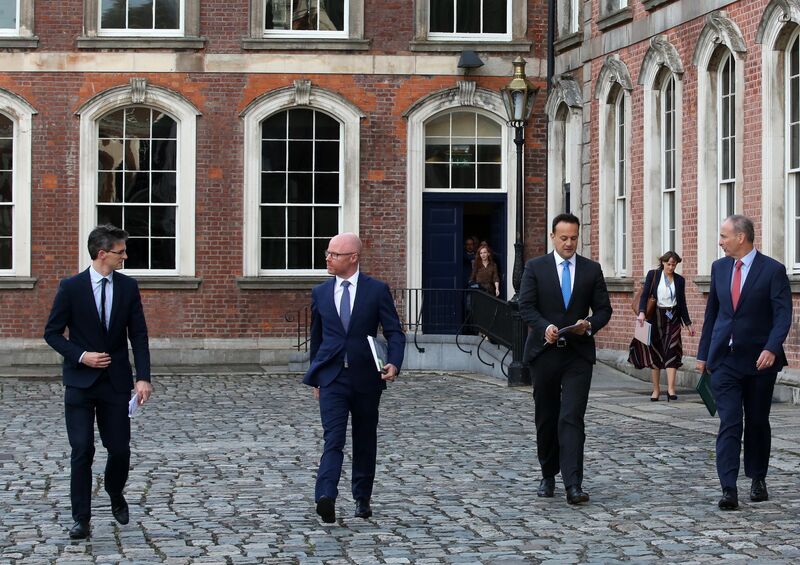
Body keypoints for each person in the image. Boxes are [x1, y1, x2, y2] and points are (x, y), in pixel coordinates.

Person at [43, 224, 153, 539]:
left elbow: (139, 335)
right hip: (79, 383)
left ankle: (115, 491)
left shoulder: (128, 288)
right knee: (82, 449)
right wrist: (81, 356)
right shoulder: (71, 287)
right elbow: (52, 333)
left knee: (119, 450)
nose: (126, 257)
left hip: (115, 383)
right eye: (121, 252)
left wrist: (142, 377)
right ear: (102, 254)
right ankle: (82, 519)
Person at [303, 232, 406, 523]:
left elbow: (395, 333)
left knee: (364, 438)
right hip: (332, 378)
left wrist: (394, 364)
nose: (328, 258)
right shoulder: (321, 292)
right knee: (332, 439)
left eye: (334, 254)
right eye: (328, 253)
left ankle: (362, 497)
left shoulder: (376, 290)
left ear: (353, 257)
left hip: (366, 379)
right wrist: (316, 377)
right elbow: (317, 339)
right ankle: (326, 496)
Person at [696, 215, 792, 511]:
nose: (720, 241)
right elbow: (713, 313)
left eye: (724, 236)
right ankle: (728, 488)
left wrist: (772, 348)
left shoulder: (773, 271)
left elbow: (783, 314)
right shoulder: (719, 268)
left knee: (757, 421)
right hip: (725, 359)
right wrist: (703, 354)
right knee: (730, 422)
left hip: (760, 362)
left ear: (741, 237)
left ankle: (758, 478)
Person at [519, 213, 612, 504]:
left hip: (577, 355)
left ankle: (574, 483)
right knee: (546, 417)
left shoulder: (591, 270)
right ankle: (548, 474)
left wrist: (590, 324)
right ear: (552, 237)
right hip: (544, 353)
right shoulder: (535, 267)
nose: (569, 243)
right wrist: (544, 326)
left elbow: (603, 309)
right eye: (563, 238)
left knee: (571, 417)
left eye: (573, 238)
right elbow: (526, 305)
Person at [632, 251, 695, 401]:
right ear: (663, 263)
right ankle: (656, 390)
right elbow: (645, 295)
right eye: (668, 264)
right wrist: (641, 313)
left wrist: (688, 323)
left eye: (674, 265)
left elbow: (683, 304)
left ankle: (671, 390)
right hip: (656, 317)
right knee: (656, 352)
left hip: (673, 318)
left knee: (672, 351)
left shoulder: (680, 280)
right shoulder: (653, 275)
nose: (671, 267)